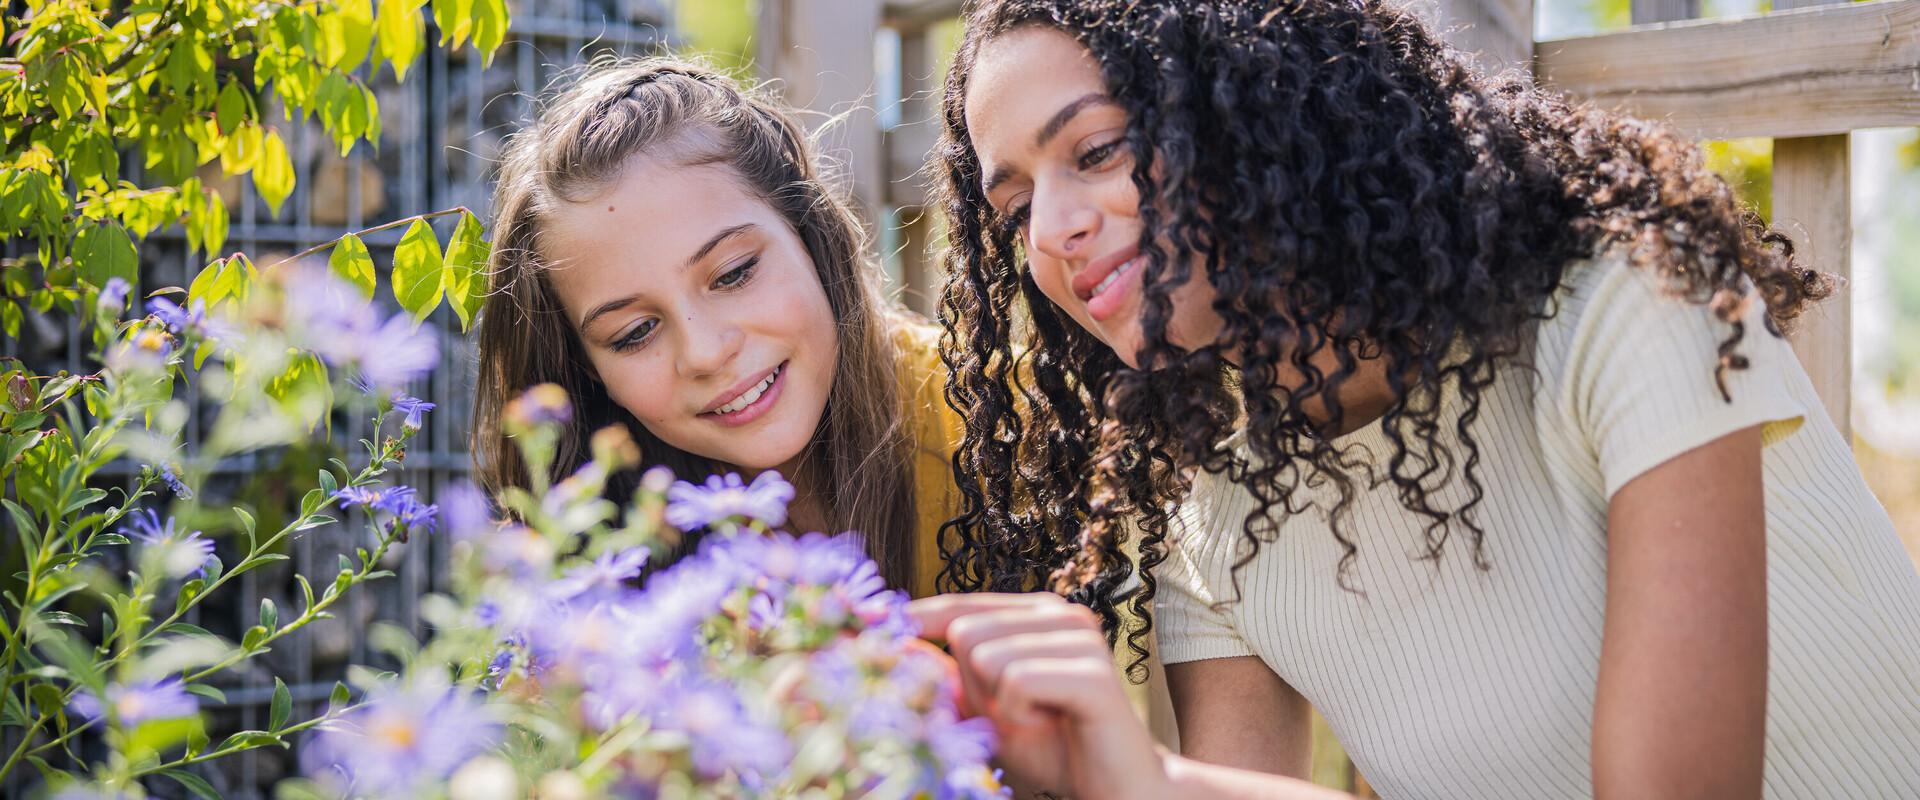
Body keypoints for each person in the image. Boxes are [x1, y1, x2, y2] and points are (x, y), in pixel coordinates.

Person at [916, 1, 1920, 798]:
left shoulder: (1629, 297)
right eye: (1014, 208)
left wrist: (1160, 780)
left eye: (1096, 151)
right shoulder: (1205, 482)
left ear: (1254, 105)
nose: (1051, 229)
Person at [472, 58, 962, 596]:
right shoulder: (587, 561)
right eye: (634, 333)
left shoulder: (1014, 421)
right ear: (586, 372)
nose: (704, 353)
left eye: (733, 274)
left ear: (808, 230)